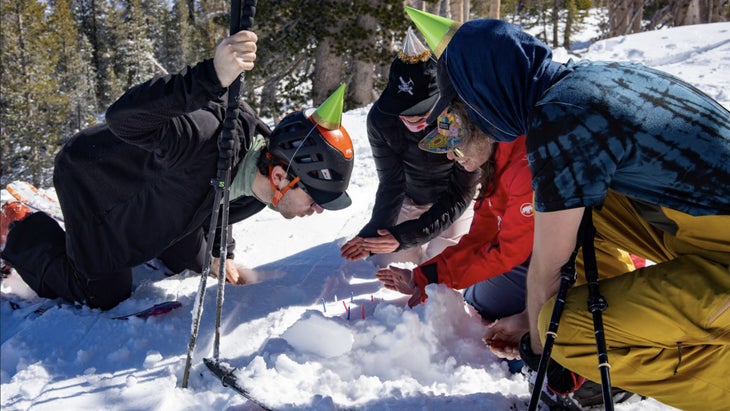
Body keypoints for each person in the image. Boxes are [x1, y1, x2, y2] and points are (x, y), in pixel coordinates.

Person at [407, 8, 730, 410]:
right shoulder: (581, 86)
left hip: (719, 257)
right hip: (708, 239)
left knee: (567, 332)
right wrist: (530, 321)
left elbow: (545, 270)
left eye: (460, 108)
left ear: (481, 94)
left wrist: (543, 349)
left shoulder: (559, 121)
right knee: (579, 213)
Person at [0, 30, 355, 311]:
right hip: (97, 180)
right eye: (316, 196)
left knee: (197, 260)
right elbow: (122, 118)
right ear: (280, 177)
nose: (318, 208)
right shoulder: (203, 135)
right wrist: (210, 77)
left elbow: (223, 204)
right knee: (103, 291)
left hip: (170, 197)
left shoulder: (264, 185)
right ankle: (19, 230)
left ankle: (163, 242)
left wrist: (221, 253)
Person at [340, 28, 478, 267]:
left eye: (419, 110)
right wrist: (374, 233)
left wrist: (408, 235)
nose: (411, 118)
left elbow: (461, 192)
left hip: (455, 200)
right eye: (402, 110)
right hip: (411, 198)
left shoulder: (463, 114)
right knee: (394, 264)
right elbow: (392, 182)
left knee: (443, 263)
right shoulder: (381, 120)